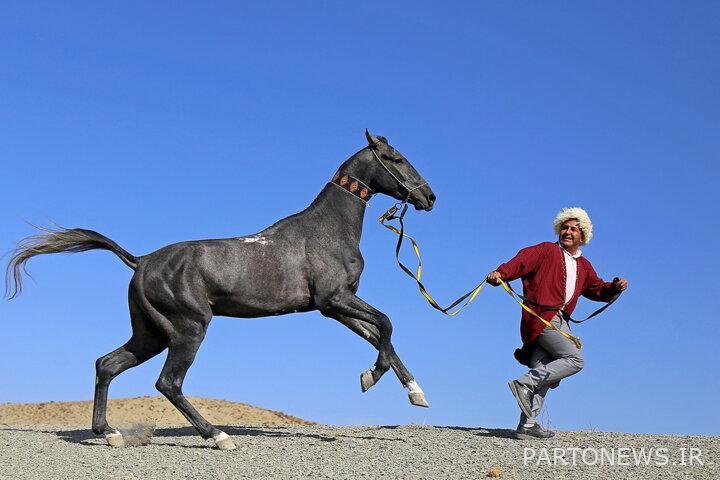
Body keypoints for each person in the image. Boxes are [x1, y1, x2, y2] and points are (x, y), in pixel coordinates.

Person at [486, 207, 628, 440]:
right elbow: (520, 262)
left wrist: (614, 287)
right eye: (565, 227)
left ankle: (528, 424)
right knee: (575, 359)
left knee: (544, 371)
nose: (568, 231)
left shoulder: (584, 265)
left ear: (583, 236)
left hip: (560, 320)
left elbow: (596, 288)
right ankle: (524, 384)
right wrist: (500, 273)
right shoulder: (545, 250)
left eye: (574, 228)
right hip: (542, 317)